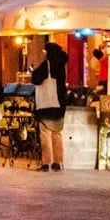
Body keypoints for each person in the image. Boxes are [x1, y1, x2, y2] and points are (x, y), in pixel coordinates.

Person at [31, 41, 68, 172]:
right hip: (60, 104)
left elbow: (36, 79)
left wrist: (33, 72)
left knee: (45, 133)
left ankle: (47, 162)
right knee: (57, 133)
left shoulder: (46, 64)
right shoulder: (62, 65)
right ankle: (59, 162)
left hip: (47, 104)